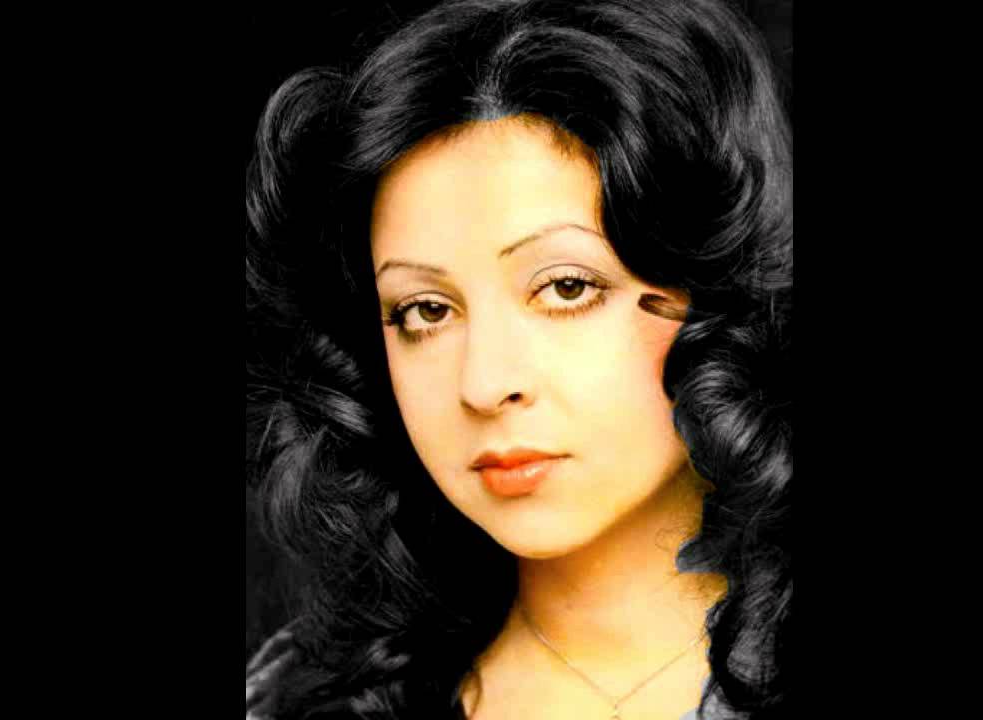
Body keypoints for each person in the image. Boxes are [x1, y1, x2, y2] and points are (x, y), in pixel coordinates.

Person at [244, 0, 791, 717]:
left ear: (715, 292)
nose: (485, 383)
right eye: (426, 311)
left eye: (566, 288)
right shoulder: (298, 700)